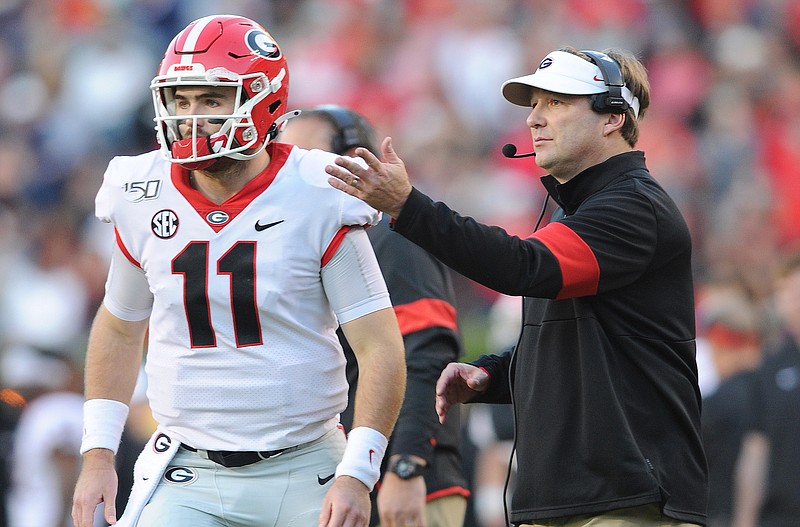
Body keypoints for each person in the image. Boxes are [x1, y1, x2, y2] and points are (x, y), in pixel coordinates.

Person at [326, 47, 708, 526]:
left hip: (627, 498)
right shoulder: (588, 210)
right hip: (572, 496)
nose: (533, 120)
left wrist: (409, 206)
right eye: (534, 105)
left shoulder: (635, 206)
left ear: (612, 117)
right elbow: (590, 350)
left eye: (556, 103)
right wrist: (494, 373)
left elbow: (524, 267)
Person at [70, 15, 406, 527]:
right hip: (186, 470)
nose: (192, 117)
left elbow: (379, 344)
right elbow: (119, 327)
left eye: (211, 100)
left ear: (263, 99)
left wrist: (358, 472)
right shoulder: (140, 188)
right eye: (181, 101)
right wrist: (98, 454)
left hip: (308, 468)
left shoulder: (318, 189)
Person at [279, 105, 470, 527]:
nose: (286, 168)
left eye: (304, 155)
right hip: (339, 478)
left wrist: (407, 465)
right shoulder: (301, 240)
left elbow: (426, 356)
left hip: (399, 483)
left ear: (353, 159)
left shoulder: (389, 238)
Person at [734, 252, 800, 527]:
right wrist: (745, 519)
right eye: (781, 290)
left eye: (790, 288)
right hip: (781, 515)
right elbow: (756, 450)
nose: (784, 298)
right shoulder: (771, 365)